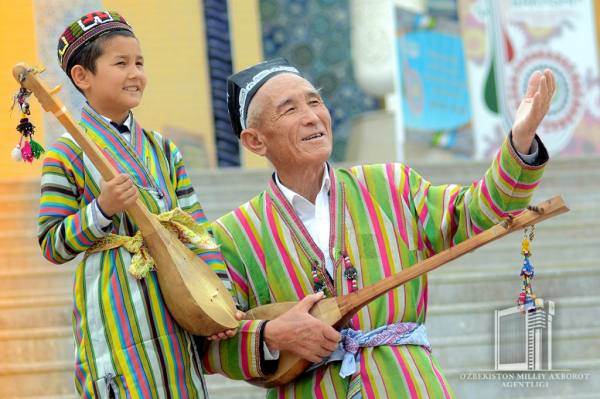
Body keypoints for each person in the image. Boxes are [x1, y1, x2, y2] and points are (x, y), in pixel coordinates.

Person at [201, 58, 554, 398]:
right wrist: (273, 336)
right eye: (290, 109)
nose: (312, 117)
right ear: (255, 141)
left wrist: (520, 142)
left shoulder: (391, 186)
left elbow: (478, 214)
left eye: (315, 102)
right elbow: (211, 343)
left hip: (408, 386)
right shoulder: (233, 236)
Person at [39, 11, 239, 397]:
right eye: (121, 63)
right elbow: (52, 244)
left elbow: (197, 229)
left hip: (176, 290)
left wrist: (219, 296)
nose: (136, 73)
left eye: (140, 63)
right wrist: (102, 209)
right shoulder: (64, 154)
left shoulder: (164, 150)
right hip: (115, 297)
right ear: (82, 77)